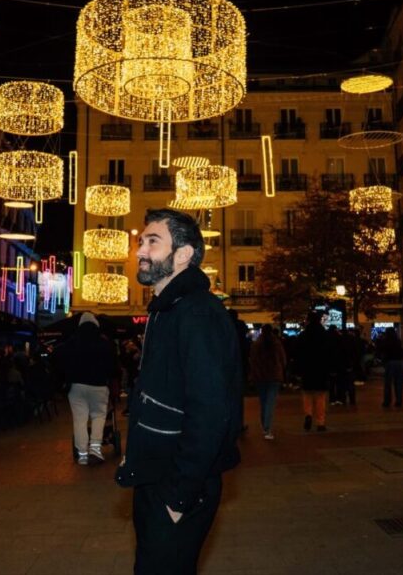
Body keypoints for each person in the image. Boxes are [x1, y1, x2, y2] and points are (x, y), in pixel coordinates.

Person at [116, 209, 241, 575]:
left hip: (177, 483)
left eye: (153, 242)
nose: (141, 251)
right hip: (158, 474)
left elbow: (211, 411)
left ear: (184, 254)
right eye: (141, 242)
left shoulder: (195, 312)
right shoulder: (168, 309)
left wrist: (179, 494)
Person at [55, 312, 115, 465]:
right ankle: (95, 448)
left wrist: (65, 378)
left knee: (80, 419)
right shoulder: (104, 343)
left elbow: (59, 359)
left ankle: (82, 454)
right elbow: (112, 365)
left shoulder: (71, 342)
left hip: (77, 386)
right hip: (99, 385)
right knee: (98, 416)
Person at [249, 324, 287, 440]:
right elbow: (283, 359)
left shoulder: (256, 345)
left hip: (260, 377)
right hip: (274, 376)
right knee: (270, 402)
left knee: (263, 401)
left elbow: (252, 360)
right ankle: (267, 427)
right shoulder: (276, 344)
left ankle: (265, 424)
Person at [296, 312, 332, 431]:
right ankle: (320, 422)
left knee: (307, 394)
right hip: (321, 369)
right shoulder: (324, 335)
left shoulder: (303, 335)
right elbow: (329, 353)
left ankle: (308, 414)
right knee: (320, 397)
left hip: (307, 369)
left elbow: (298, 353)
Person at [377, 327, 403, 408]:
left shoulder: (385, 341)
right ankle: (399, 401)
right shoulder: (398, 341)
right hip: (399, 362)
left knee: (388, 384)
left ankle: (387, 401)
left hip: (389, 362)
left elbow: (381, 350)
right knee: (399, 383)